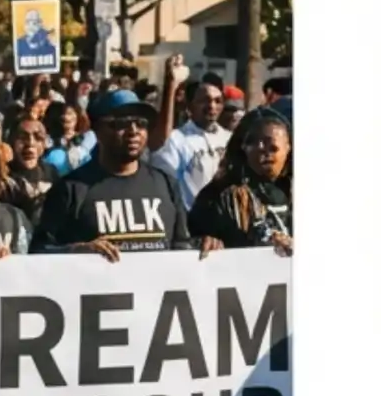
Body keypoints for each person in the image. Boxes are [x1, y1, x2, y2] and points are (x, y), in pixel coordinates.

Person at [33, 88, 218, 257]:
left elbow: (181, 246)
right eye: (122, 123)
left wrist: (204, 245)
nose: (134, 131)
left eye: (141, 123)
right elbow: (39, 252)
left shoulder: (166, 185)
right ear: (97, 130)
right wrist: (75, 251)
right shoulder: (71, 189)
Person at [189, 107, 292, 252]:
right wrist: (204, 242)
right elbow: (186, 242)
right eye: (253, 141)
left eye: (270, 144)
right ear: (242, 147)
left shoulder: (294, 190)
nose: (262, 148)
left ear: (288, 146)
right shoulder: (219, 195)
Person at [150, 57, 230, 206]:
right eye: (204, 100)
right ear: (190, 106)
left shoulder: (229, 139)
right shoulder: (176, 140)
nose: (212, 106)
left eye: (217, 101)